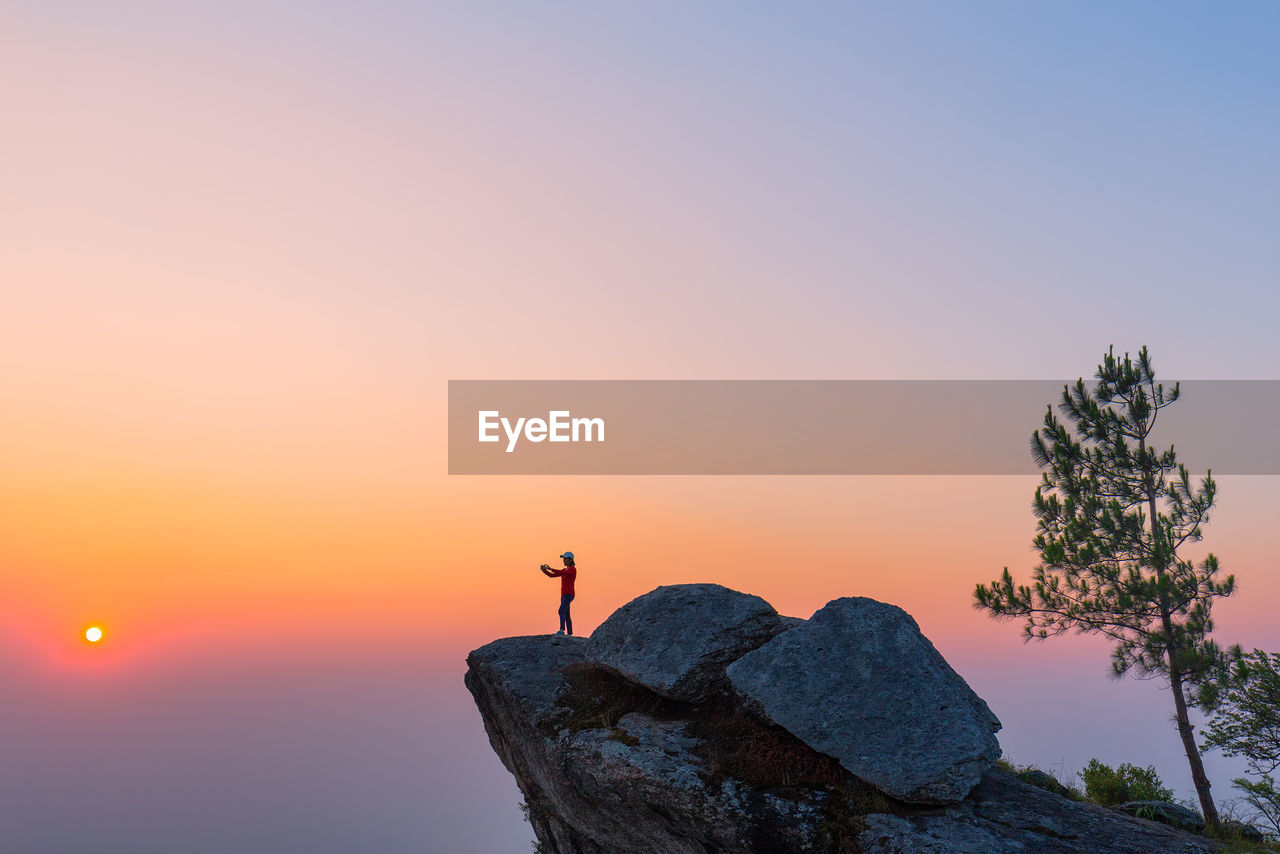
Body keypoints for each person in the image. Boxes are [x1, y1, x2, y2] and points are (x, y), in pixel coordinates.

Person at [539, 552, 577, 636]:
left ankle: (562, 629)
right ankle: (569, 633)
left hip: (568, 594)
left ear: (570, 560)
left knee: (561, 611)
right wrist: (544, 571)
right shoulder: (564, 570)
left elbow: (562, 573)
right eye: (563, 558)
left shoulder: (572, 569)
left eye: (565, 558)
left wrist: (551, 568)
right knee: (566, 613)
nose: (563, 560)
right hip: (563, 594)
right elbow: (552, 576)